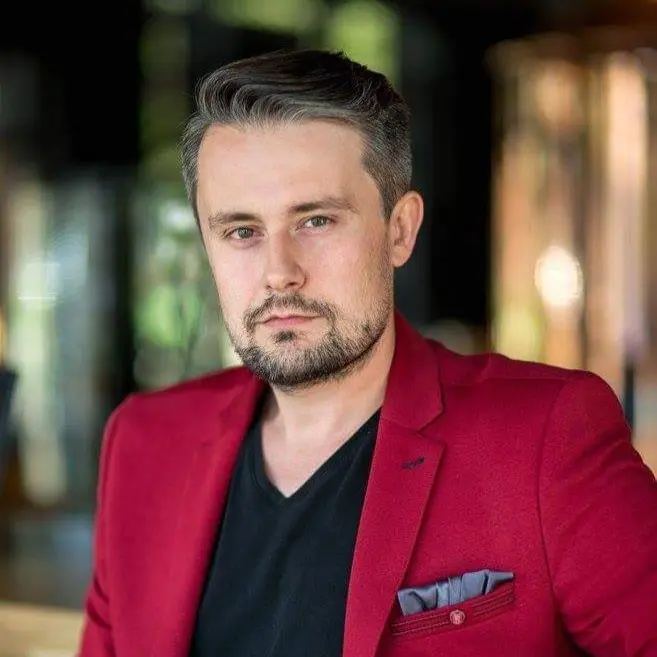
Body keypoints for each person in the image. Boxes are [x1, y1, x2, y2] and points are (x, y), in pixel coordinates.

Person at [78, 49, 657, 657]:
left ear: (399, 230)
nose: (279, 272)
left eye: (316, 221)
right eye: (242, 232)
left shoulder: (545, 436)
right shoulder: (145, 442)